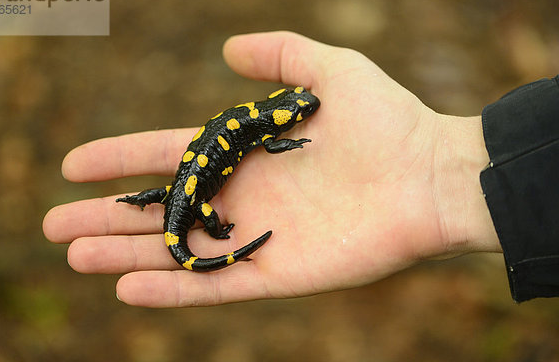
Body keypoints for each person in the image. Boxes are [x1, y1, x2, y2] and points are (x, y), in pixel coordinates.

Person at [42, 31, 559, 307]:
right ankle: (204, 238)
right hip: (190, 194)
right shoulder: (265, 129)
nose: (305, 109)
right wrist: (218, 231)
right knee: (193, 206)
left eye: (300, 107)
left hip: (187, 181)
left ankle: (165, 211)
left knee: (176, 193)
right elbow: (270, 145)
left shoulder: (258, 118)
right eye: (298, 110)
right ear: (281, 112)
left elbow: (265, 140)